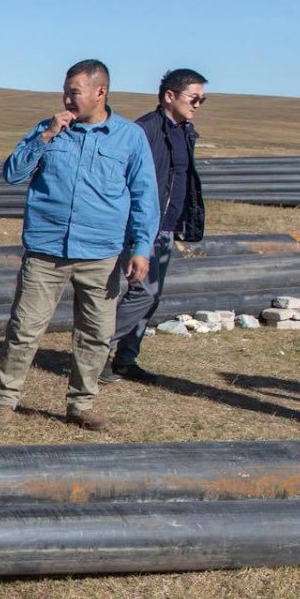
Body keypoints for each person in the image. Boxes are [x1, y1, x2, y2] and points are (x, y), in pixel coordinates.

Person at [0, 59, 157, 434]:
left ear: (100, 92)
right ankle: (4, 402)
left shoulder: (130, 138)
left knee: (94, 334)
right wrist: (45, 136)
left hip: (101, 255)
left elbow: (145, 196)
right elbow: (12, 173)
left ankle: (81, 405)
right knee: (25, 330)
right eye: (64, 91)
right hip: (46, 251)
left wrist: (142, 247)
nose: (66, 99)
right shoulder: (49, 129)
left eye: (74, 92)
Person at [105, 69, 208, 384]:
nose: (198, 104)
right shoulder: (144, 130)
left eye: (202, 100)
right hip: (143, 225)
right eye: (194, 98)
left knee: (152, 296)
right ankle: (95, 352)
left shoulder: (184, 131)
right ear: (169, 96)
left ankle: (125, 359)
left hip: (167, 226)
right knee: (143, 293)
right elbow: (124, 178)